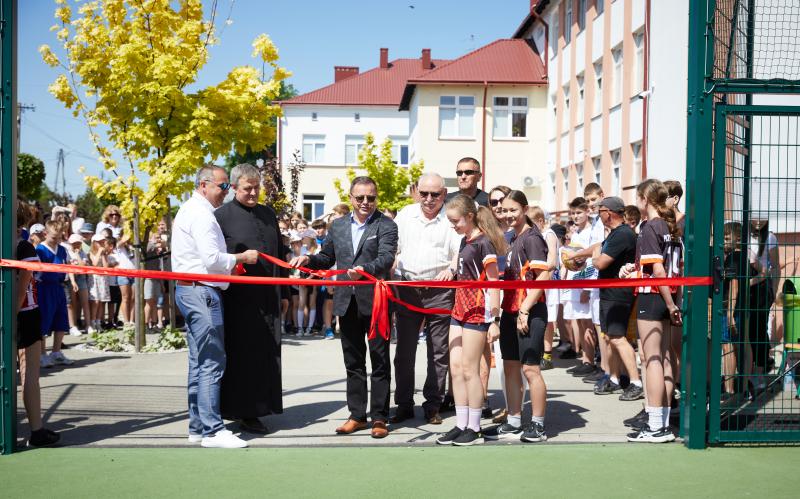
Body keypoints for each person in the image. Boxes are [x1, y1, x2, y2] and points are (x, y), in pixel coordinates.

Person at [290, 176, 398, 439]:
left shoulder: (386, 225)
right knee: (353, 362)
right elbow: (327, 257)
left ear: (376, 198)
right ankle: (357, 416)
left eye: (371, 197)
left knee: (380, 361)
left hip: (375, 301)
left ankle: (380, 417)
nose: (365, 202)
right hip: (345, 301)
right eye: (360, 197)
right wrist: (309, 260)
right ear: (351, 198)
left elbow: (386, 258)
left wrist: (364, 270)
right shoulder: (337, 225)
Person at [171, 164, 259, 448]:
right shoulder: (202, 215)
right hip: (201, 292)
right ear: (204, 185)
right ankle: (212, 430)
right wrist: (241, 258)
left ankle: (198, 426)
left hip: (191, 289)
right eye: (222, 186)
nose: (225, 192)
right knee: (211, 362)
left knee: (199, 362)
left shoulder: (192, 210)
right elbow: (211, 259)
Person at [214, 163, 284, 435]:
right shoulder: (221, 216)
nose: (254, 193)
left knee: (268, 353)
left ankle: (265, 406)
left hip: (270, 296)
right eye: (247, 188)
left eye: (257, 187)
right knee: (244, 355)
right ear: (234, 188)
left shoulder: (268, 213)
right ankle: (245, 411)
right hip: (239, 300)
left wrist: (286, 292)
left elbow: (280, 254)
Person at [390, 173, 461, 426]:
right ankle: (404, 404)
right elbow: (394, 247)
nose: (429, 199)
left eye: (435, 194)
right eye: (424, 193)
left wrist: (451, 269)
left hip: (440, 291)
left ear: (444, 194)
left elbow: (459, 251)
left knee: (439, 352)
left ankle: (433, 405)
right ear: (417, 192)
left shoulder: (451, 217)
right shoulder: (405, 215)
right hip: (407, 289)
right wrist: (392, 266)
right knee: (404, 351)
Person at [435, 194, 505, 446]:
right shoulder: (464, 240)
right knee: (455, 368)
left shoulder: (484, 243)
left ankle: (474, 428)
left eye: (456, 221)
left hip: (477, 310)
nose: (452, 225)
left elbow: (494, 282)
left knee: (469, 369)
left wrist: (495, 319)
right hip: (459, 309)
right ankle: (461, 423)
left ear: (469, 216)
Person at [483, 191, 551, 443]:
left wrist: (525, 309)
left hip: (530, 312)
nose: (509, 215)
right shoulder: (513, 238)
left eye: (514, 210)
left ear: (524, 208)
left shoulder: (532, 238)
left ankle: (538, 425)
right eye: (505, 210)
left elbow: (543, 276)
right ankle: (513, 422)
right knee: (510, 367)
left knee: (530, 368)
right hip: (510, 311)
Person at [624, 179, 682, 443]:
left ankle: (656, 425)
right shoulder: (669, 226)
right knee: (665, 358)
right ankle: (663, 423)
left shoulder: (651, 226)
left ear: (644, 199)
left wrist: (669, 304)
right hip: (667, 295)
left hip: (654, 296)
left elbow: (658, 271)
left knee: (652, 359)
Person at [589, 197, 643, 401]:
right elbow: (599, 251)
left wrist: (594, 257)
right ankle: (614, 377)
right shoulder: (616, 233)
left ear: (609, 212)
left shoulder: (623, 234)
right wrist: (579, 256)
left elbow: (601, 262)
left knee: (618, 338)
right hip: (610, 294)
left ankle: (636, 382)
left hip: (618, 295)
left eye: (600, 211)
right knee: (610, 337)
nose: (598, 214)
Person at [16, 201, 60, 447]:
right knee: (30, 374)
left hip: (20, 314)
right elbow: (24, 283)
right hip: (25, 314)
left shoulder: (17, 245)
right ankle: (36, 431)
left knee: (26, 373)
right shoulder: (23, 246)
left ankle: (35, 430)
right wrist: (12, 316)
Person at [747, 215, 780, 392]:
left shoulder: (771, 237)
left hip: (762, 286)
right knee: (746, 330)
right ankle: (747, 371)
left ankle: (759, 372)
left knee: (759, 329)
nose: (759, 221)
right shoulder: (744, 235)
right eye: (755, 217)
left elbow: (776, 266)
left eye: (763, 217)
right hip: (745, 283)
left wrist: (774, 290)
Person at [35, 220, 74, 367]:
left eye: (59, 237)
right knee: (44, 321)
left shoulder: (62, 249)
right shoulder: (40, 250)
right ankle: (42, 355)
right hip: (44, 289)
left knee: (61, 320)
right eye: (53, 237)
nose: (57, 240)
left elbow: (68, 265)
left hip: (59, 287)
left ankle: (56, 353)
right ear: (45, 234)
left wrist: (72, 280)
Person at [530, 207, 560, 370]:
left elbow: (552, 261)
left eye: (532, 224)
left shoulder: (549, 234)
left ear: (540, 221)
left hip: (548, 282)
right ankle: (539, 349)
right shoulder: (536, 236)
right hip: (539, 280)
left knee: (548, 318)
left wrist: (540, 273)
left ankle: (547, 354)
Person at [66, 233, 91, 336]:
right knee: (73, 303)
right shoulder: (67, 252)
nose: (76, 245)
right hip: (71, 278)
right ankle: (74, 325)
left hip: (81, 278)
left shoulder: (82, 253)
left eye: (78, 243)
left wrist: (77, 255)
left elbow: (83, 266)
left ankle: (88, 325)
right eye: (74, 243)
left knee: (85, 302)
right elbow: (69, 266)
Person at [87, 234, 111, 332]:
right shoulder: (90, 253)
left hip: (102, 279)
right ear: (94, 243)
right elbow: (95, 264)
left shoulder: (104, 254)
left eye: (102, 242)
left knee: (101, 301)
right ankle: (92, 322)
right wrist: (99, 252)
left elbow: (106, 267)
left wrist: (103, 255)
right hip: (94, 278)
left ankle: (98, 322)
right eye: (99, 242)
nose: (101, 244)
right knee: (95, 301)